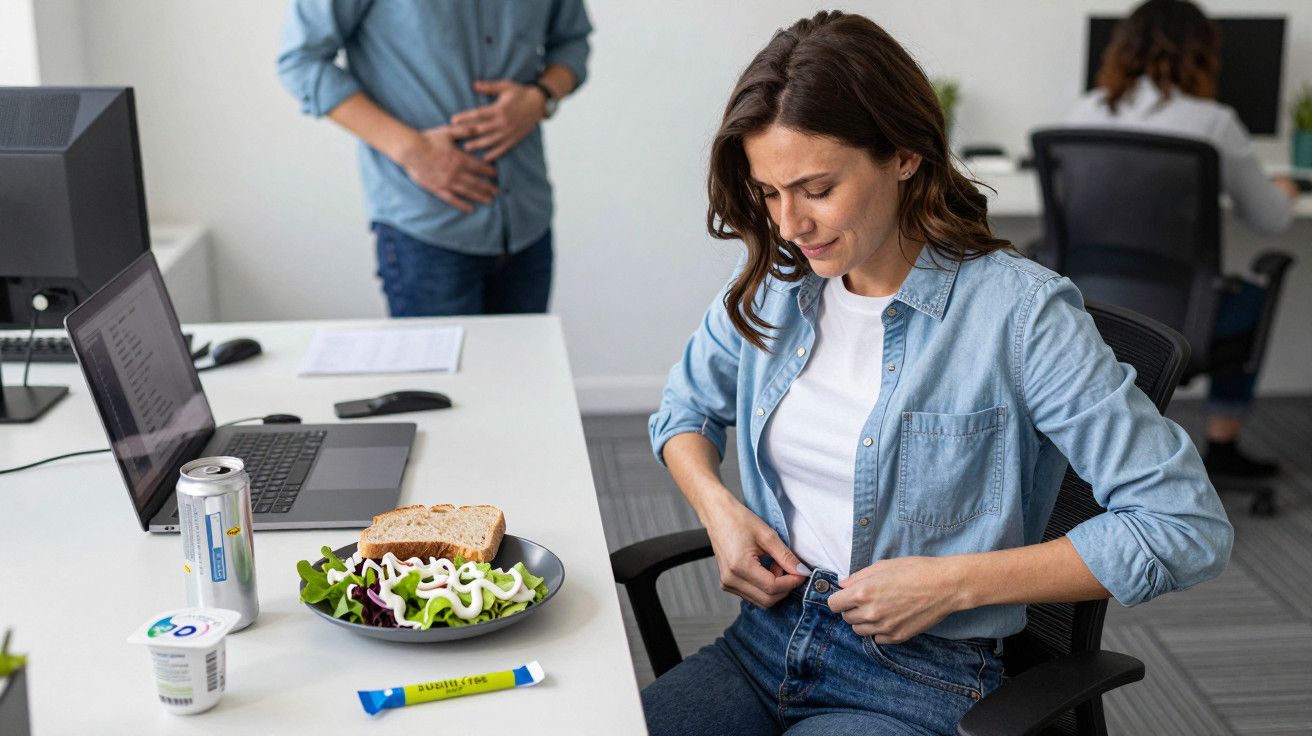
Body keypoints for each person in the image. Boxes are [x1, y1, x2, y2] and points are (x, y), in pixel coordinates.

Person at [644, 11, 1231, 735]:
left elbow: (1184, 524)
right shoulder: (778, 281)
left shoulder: (1019, 316)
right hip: (763, 642)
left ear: (904, 155)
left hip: (918, 679)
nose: (789, 223)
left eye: (816, 188)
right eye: (768, 193)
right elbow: (682, 413)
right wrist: (719, 509)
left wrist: (953, 583)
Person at [1067, 0, 1298, 479]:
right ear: (1202, 54)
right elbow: (1271, 219)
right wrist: (1285, 190)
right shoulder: (1213, 121)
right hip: (1180, 313)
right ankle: (1224, 446)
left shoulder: (1082, 111)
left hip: (1090, 308)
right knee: (1254, 295)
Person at [277, 1, 592, 317]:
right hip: (425, 228)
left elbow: (572, 42)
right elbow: (301, 61)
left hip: (527, 220)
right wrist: (412, 152)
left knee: (528, 367)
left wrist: (542, 97)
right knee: (440, 368)